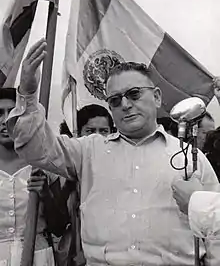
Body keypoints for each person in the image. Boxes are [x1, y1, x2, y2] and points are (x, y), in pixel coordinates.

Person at [6, 39, 220, 265]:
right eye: (115, 100)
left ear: (157, 97)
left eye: (134, 94)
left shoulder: (190, 157)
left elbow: (215, 233)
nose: (125, 104)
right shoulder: (88, 150)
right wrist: (28, 94)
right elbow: (36, 148)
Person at [0, 87, 68, 265]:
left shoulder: (44, 164)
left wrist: (46, 195)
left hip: (38, 256)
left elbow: (59, 227)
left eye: (13, 112)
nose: (5, 120)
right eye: (0, 113)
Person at [58, 106, 114, 266]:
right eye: (90, 131)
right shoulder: (64, 167)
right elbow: (57, 221)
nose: (97, 137)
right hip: (72, 246)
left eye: (104, 131)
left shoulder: (116, 167)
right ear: (78, 132)